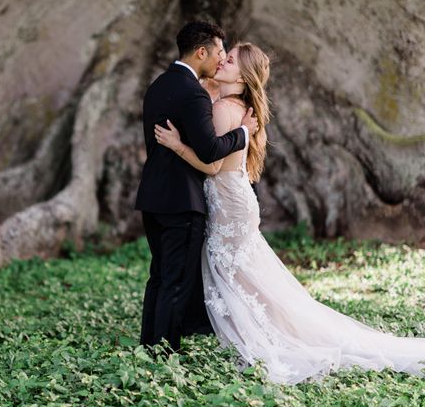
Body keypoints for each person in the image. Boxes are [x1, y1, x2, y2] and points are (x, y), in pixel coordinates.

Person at [154, 41, 425, 384]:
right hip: (235, 200)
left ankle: (275, 337)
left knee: (237, 274)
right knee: (248, 277)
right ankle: (280, 328)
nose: (223, 61)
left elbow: (212, 165)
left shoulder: (225, 109)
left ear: (243, 74)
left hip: (228, 202)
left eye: (231, 59)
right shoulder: (233, 105)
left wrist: (178, 145)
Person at [135, 20, 258, 353]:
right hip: (183, 201)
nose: (220, 59)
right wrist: (244, 133)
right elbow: (211, 152)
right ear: (201, 52)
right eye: (219, 52)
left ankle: (150, 345)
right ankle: (163, 351)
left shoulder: (158, 85)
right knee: (175, 281)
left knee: (159, 276)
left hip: (153, 197)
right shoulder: (194, 94)